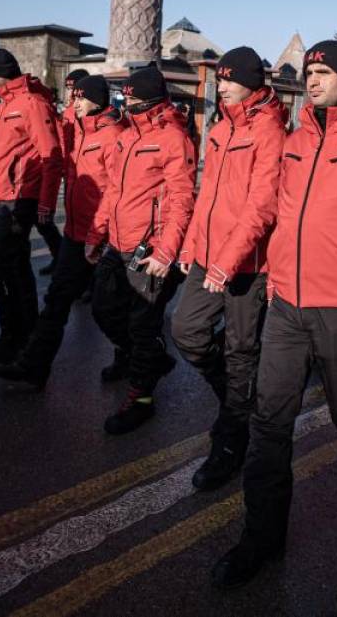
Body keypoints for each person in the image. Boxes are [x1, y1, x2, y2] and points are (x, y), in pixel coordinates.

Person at [211, 41, 337, 591]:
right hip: (287, 308)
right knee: (268, 426)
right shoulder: (295, 142)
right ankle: (261, 540)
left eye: (324, 72)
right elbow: (269, 211)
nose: (314, 79)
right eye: (309, 72)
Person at [169, 47, 285, 490]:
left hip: (247, 264)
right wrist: (191, 247)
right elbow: (206, 196)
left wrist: (227, 263)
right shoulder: (219, 127)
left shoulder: (270, 130)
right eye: (221, 79)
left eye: (231, 79)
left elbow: (262, 206)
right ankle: (236, 402)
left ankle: (233, 436)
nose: (224, 85)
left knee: (241, 350)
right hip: (207, 255)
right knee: (186, 329)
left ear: (253, 84)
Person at [0, 75, 124, 388]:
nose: (74, 103)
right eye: (73, 97)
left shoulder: (113, 135)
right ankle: (33, 366)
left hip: (103, 236)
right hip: (76, 233)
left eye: (80, 97)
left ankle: (136, 356)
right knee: (56, 300)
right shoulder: (79, 131)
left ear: (97, 100)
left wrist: (98, 234)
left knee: (108, 309)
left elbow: (115, 192)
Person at [85, 65, 195, 434]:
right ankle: (145, 360)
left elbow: (182, 199)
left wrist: (166, 251)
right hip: (117, 243)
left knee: (143, 325)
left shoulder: (173, 138)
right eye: (125, 96)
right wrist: (96, 232)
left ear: (148, 98)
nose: (125, 102)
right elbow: (113, 190)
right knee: (102, 309)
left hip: (148, 249)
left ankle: (142, 395)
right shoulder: (126, 136)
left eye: (132, 97)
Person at [0, 49, 63, 367]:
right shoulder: (4, 104)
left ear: (2, 72)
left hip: (20, 197)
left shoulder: (31, 103)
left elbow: (51, 155)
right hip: (3, 197)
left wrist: (44, 204)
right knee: (15, 270)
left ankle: (16, 335)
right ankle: (19, 336)